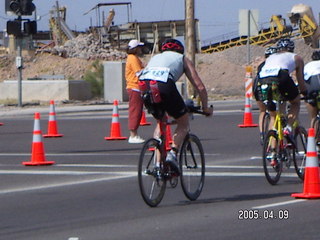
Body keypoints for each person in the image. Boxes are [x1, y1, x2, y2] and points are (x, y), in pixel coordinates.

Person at [139, 38, 213, 174]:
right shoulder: (182, 59)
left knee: (160, 122)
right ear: (180, 50)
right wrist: (205, 107)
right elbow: (200, 87)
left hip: (145, 86)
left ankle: (157, 164)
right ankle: (172, 154)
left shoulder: (156, 57)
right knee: (183, 122)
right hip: (164, 85)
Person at [258, 38, 307, 139]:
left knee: (274, 116)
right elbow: (300, 80)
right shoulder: (296, 57)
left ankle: (272, 150)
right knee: (295, 102)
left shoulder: (270, 57)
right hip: (281, 75)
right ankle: (288, 128)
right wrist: (304, 92)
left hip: (262, 79)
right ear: (292, 49)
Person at [253, 46, 278, 145]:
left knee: (262, 110)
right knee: (273, 114)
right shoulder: (277, 64)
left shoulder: (261, 65)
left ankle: (262, 134)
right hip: (272, 86)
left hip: (258, 86)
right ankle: (272, 137)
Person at [125, 39, 145, 144]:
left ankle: (134, 134)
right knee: (135, 111)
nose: (141, 49)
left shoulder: (133, 58)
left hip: (135, 87)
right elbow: (139, 73)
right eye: (139, 47)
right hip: (135, 87)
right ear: (135, 49)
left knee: (137, 110)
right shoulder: (133, 58)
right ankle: (133, 135)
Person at [304, 50, 320, 141]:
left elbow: (302, 82)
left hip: (311, 89)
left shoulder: (308, 65)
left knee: (313, 117)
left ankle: (314, 142)